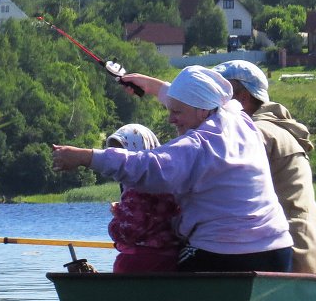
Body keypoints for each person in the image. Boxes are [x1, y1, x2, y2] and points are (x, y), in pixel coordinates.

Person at [52, 65, 293, 273]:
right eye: (170, 109)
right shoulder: (238, 119)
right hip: (279, 252)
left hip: (225, 256)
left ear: (201, 110)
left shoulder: (198, 145)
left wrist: (86, 157)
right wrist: (150, 85)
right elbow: (191, 95)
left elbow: (146, 167)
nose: (170, 119)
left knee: (155, 263)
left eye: (176, 112)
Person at [212, 60, 316, 275]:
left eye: (216, 95)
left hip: (285, 260)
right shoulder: (272, 129)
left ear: (242, 98)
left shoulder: (256, 134)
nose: (208, 104)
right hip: (302, 253)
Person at [104, 123, 181, 273]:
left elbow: (128, 231)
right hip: (170, 260)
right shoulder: (170, 182)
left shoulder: (135, 189)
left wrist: (118, 217)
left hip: (137, 262)